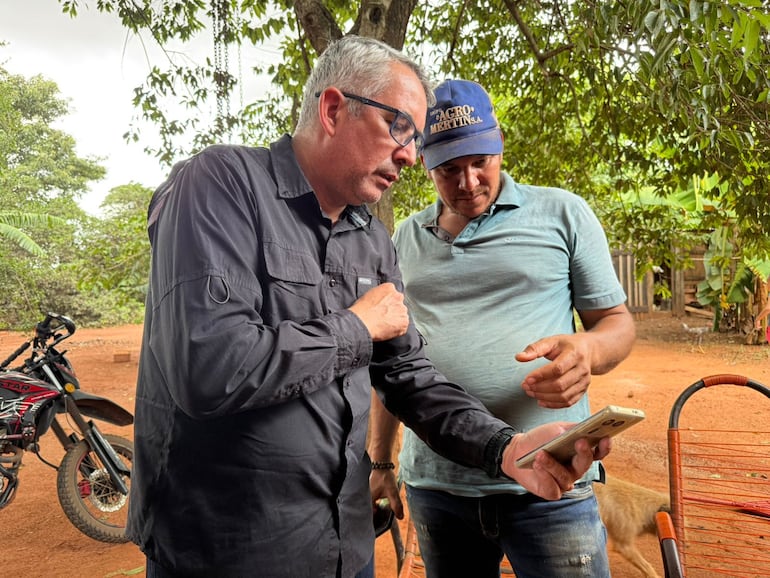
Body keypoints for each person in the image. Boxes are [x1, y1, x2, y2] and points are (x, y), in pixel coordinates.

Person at [126, 39, 612, 578]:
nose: (409, 154)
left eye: (415, 137)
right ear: (333, 110)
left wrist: (506, 447)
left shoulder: (372, 239)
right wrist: (357, 327)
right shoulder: (222, 185)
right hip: (231, 550)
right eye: (399, 127)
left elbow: (408, 378)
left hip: (343, 545)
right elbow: (209, 367)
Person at [368, 79, 637, 578]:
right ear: (423, 163)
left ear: (500, 143)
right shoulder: (402, 239)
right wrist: (381, 463)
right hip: (438, 486)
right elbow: (392, 366)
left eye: (480, 162)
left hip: (552, 476)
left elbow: (617, 324)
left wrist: (586, 349)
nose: (468, 182)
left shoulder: (563, 213)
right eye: (449, 169)